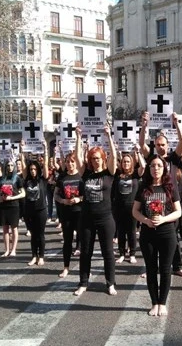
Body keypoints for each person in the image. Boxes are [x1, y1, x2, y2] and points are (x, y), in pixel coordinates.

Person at [138, 111, 182, 278]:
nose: (161, 147)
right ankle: (152, 266)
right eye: (158, 144)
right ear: (155, 145)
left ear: (168, 145)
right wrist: (144, 125)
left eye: (163, 144)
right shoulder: (152, 158)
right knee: (153, 234)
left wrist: (176, 124)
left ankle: (177, 266)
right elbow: (141, 144)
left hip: (173, 201)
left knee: (172, 236)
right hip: (154, 199)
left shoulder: (174, 158)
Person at [132, 155, 182, 316]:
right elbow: (135, 211)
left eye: (159, 166)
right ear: (149, 168)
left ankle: (163, 303)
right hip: (148, 234)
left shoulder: (170, 187)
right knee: (151, 269)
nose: (156, 169)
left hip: (167, 234)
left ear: (164, 168)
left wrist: (163, 219)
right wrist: (146, 221)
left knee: (165, 269)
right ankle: (154, 303)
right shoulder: (143, 186)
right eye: (153, 166)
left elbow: (178, 212)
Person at [74, 125, 118, 296]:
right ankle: (83, 283)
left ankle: (110, 283)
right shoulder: (86, 175)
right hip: (86, 219)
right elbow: (78, 159)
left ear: (103, 158)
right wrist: (78, 136)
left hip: (105, 218)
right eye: (93, 158)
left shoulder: (109, 173)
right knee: (85, 252)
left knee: (108, 253)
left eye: (98, 158)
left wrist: (109, 136)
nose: (96, 161)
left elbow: (114, 155)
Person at [113, 149, 145, 264]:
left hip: (132, 208)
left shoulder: (135, 174)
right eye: (124, 162)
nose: (126, 164)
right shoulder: (118, 174)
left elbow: (143, 166)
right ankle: (121, 253)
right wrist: (116, 151)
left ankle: (132, 254)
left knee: (131, 232)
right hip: (119, 208)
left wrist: (138, 152)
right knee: (121, 231)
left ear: (131, 163)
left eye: (128, 162)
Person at [54, 152, 83, 278]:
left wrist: (79, 199)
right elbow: (55, 194)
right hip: (66, 213)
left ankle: (84, 269)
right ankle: (66, 267)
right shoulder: (62, 177)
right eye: (68, 162)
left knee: (83, 241)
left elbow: (87, 194)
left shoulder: (81, 176)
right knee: (67, 241)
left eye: (72, 161)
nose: (70, 164)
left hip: (80, 212)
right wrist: (63, 201)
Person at [24, 142, 49, 266]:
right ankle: (34, 255)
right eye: (31, 169)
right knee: (33, 235)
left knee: (40, 234)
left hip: (41, 210)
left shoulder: (42, 179)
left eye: (35, 169)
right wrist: (21, 150)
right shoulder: (26, 180)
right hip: (29, 210)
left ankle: (42, 256)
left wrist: (45, 149)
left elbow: (45, 167)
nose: (33, 171)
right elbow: (23, 165)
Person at [0, 158, 25, 257]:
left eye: (12, 165)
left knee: (14, 228)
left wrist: (12, 197)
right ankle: (6, 250)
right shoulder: (2, 178)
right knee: (5, 229)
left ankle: (13, 250)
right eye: (8, 165)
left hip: (14, 206)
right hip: (3, 206)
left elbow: (23, 194)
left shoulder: (17, 178)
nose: (10, 167)